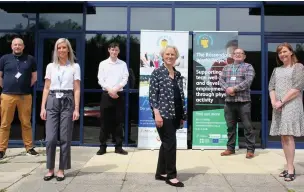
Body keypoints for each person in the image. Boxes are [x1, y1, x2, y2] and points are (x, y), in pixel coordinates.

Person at [40, 38, 80, 181]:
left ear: (68, 49)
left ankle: (61, 169)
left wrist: (76, 109)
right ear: (56, 50)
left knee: (65, 137)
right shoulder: (51, 66)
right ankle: (50, 169)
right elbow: (46, 87)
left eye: (64, 47)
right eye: (59, 48)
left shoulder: (75, 67)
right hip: (52, 100)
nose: (61, 50)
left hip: (67, 100)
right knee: (50, 139)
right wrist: (42, 107)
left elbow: (76, 89)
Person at [149, 45, 187, 187]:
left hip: (176, 113)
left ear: (176, 57)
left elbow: (180, 95)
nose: (170, 56)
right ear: (162, 56)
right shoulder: (157, 73)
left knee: (166, 143)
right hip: (163, 114)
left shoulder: (177, 74)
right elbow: (153, 96)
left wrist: (182, 114)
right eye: (167, 54)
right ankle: (171, 176)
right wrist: (157, 114)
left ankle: (161, 172)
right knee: (170, 144)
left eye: (172, 54)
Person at [269, 43, 304, 182]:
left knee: (288, 135)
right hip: (278, 105)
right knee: (283, 136)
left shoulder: (298, 67)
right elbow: (271, 87)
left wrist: (281, 101)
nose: (282, 54)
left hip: (291, 104)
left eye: (284, 51)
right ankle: (289, 166)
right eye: (279, 53)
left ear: (291, 52)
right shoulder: (276, 70)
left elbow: (297, 88)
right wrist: (273, 102)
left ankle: (290, 168)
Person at [0, 37, 38, 159]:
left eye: (19, 45)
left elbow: (34, 77)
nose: (17, 47)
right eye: (15, 45)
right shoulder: (4, 59)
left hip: (25, 96)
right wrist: (7, 87)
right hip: (7, 95)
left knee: (26, 123)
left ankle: (29, 147)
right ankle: (1, 149)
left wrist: (24, 87)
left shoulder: (30, 59)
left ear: (23, 46)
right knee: (5, 123)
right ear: (12, 46)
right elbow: (0, 77)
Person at [219, 48, 256, 159]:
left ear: (244, 56)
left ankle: (250, 150)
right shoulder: (226, 67)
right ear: (232, 55)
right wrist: (227, 89)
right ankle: (230, 148)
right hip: (229, 102)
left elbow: (248, 81)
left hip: (243, 102)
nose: (238, 55)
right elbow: (221, 80)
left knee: (247, 126)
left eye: (241, 53)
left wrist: (234, 89)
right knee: (230, 127)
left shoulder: (248, 67)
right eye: (236, 53)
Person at [97, 43, 129, 155]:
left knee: (118, 122)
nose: (114, 52)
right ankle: (102, 146)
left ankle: (118, 147)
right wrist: (110, 90)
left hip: (119, 94)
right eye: (112, 50)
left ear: (119, 51)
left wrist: (116, 89)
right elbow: (100, 79)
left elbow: (125, 78)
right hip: (106, 95)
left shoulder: (123, 64)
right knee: (104, 122)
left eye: (116, 50)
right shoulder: (103, 64)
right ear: (109, 50)